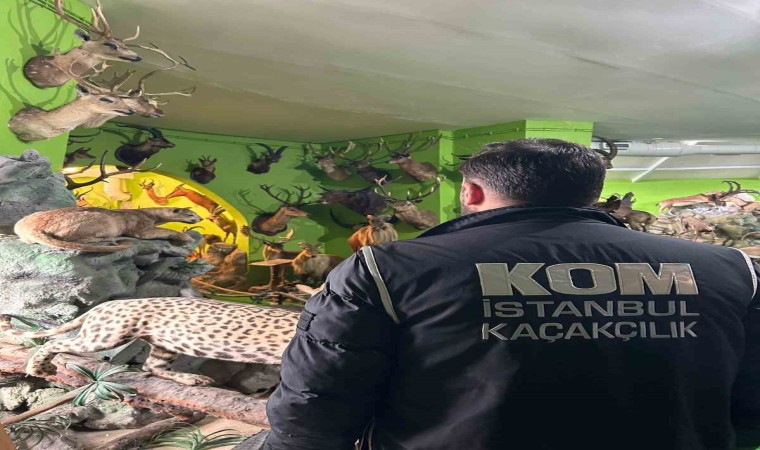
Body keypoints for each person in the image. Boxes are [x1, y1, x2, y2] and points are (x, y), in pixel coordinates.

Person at [264, 138, 760, 450]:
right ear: (591, 194)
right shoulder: (731, 269)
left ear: (471, 193)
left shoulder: (387, 268)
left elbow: (317, 400)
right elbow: (751, 401)